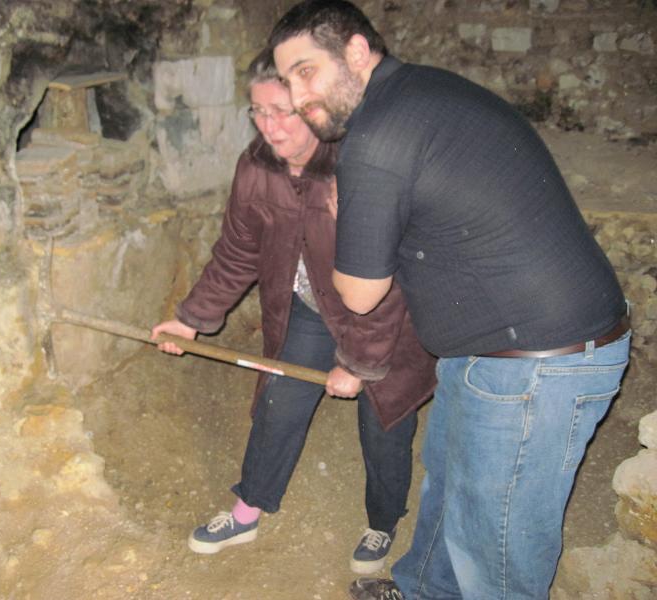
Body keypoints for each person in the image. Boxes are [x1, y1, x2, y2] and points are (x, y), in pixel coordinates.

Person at [269, 2, 631, 599]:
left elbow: (360, 293)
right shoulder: (422, 92)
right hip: (491, 347)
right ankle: (423, 591)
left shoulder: (378, 134)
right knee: (449, 484)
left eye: (306, 71)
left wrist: (342, 221)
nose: (298, 95)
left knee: (495, 544)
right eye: (287, 80)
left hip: (537, 361)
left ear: (355, 52)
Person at [151, 47, 436, 575]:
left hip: (387, 318)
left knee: (384, 420)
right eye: (259, 111)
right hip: (309, 307)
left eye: (283, 111)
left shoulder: (360, 162)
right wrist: (191, 317)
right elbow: (237, 251)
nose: (270, 127)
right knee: (280, 401)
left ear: (314, 105)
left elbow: (393, 280)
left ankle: (382, 520)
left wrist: (358, 362)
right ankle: (248, 509)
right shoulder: (256, 167)